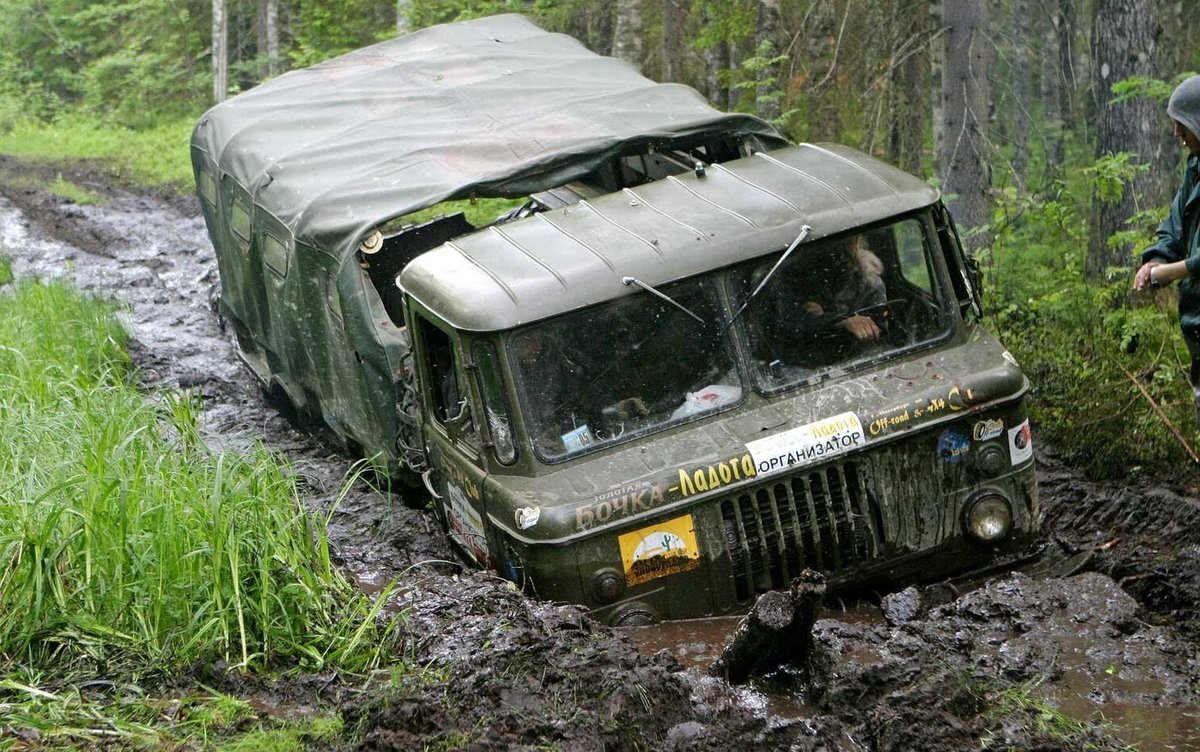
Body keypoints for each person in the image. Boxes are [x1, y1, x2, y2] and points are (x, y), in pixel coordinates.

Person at [1133, 75, 1200, 421]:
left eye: (1182, 124)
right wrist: (1155, 260)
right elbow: (1174, 225)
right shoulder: (1196, 170)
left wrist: (1166, 273)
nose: (1177, 133)